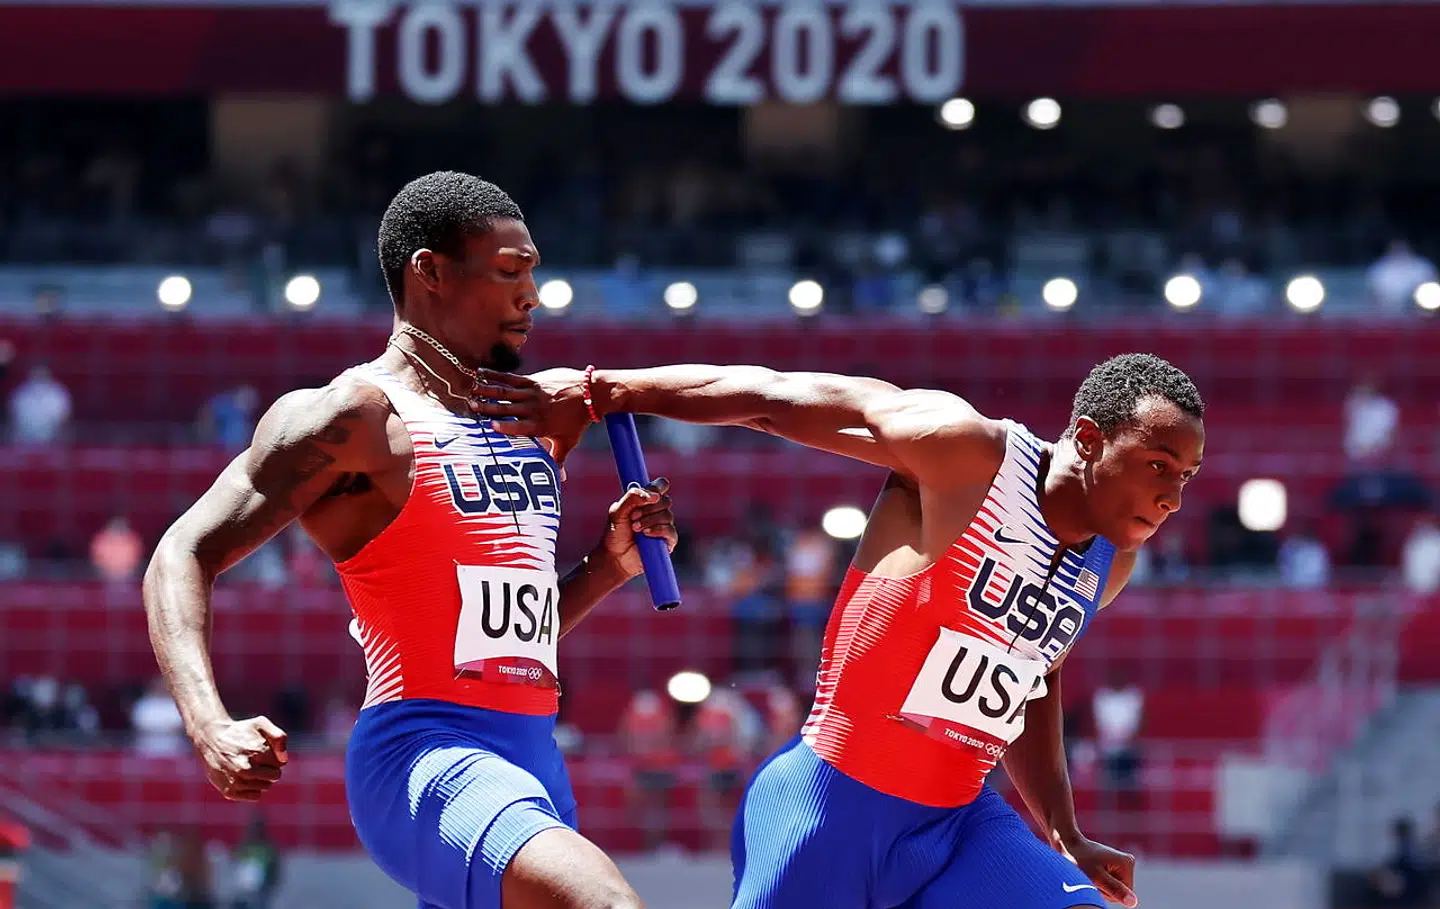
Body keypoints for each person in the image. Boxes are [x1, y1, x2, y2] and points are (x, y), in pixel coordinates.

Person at [474, 352, 1205, 909]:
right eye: (1157, 464)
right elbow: (773, 399)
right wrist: (608, 390)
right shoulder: (965, 455)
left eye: (1188, 475)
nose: (1172, 495)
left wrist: (1062, 827)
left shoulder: (1112, 563)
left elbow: (1032, 671)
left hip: (961, 828)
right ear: (1085, 439)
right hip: (831, 807)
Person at [142, 172, 678, 909]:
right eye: (509, 271)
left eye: (535, 273)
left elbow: (507, 627)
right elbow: (182, 551)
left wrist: (607, 566)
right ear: (428, 272)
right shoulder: (356, 416)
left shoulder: (528, 421)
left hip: (535, 758)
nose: (533, 296)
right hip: (425, 753)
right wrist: (207, 725)